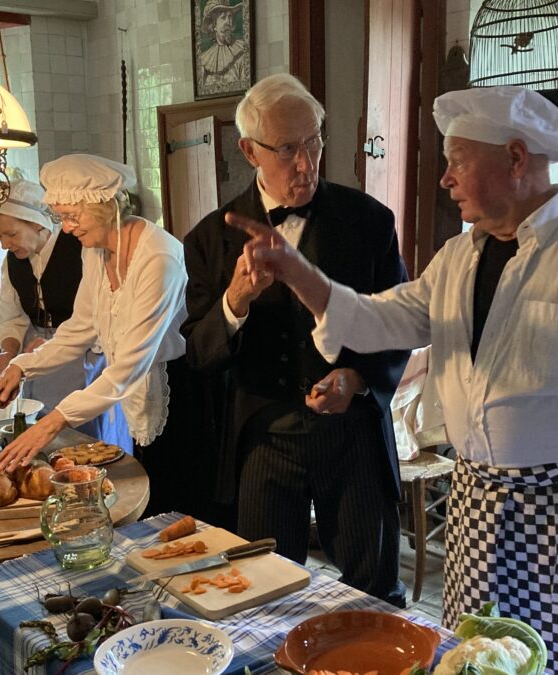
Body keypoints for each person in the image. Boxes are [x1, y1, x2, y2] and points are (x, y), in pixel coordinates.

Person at [229, 86, 558, 672]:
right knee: (477, 658)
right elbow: (377, 317)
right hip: (480, 505)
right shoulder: (458, 257)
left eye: (457, 160)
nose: (445, 179)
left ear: (515, 159)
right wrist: (297, 271)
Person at [182, 73, 410, 607]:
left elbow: (401, 326)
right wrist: (235, 300)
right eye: (287, 148)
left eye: (314, 141)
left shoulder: (370, 222)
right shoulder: (210, 238)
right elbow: (199, 352)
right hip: (263, 437)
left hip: (353, 433)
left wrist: (357, 378)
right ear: (248, 151)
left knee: (373, 591)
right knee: (261, 591)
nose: (306, 162)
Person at [0, 155, 194, 517]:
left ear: (105, 206)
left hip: (181, 394)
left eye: (71, 216)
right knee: (149, 501)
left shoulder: (159, 257)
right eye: (62, 216)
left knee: (178, 504)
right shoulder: (96, 250)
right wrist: (21, 366)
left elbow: (130, 364)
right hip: (134, 388)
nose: (65, 229)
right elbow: (79, 329)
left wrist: (54, 421)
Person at [0, 178, 129, 450]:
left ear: (37, 223)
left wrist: (54, 344)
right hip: (37, 354)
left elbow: (102, 314)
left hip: (86, 352)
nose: (5, 244)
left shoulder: (83, 247)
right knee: (41, 430)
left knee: (84, 433)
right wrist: (10, 351)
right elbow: (12, 316)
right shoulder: (13, 263)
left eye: (12, 234)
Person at [196, 0, 249, 93]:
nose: (228, 22)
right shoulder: (204, 60)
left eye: (230, 17)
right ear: (214, 26)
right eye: (223, 17)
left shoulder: (242, 51)